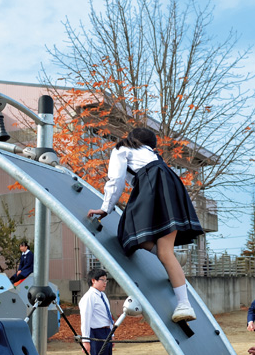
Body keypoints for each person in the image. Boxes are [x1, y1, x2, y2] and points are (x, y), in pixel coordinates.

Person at [87, 126, 204, 323]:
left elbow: (116, 180)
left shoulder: (121, 148)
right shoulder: (153, 155)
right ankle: (181, 290)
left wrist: (106, 208)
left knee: (129, 232)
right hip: (171, 187)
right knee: (160, 249)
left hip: (153, 188)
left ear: (132, 139)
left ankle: (184, 304)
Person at [72, 268, 114, 355]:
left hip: (106, 332)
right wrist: (86, 340)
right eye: (102, 280)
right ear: (93, 280)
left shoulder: (102, 295)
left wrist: (111, 335)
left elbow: (108, 316)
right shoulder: (88, 298)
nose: (105, 283)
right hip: (96, 333)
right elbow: (85, 319)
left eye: (106, 280)